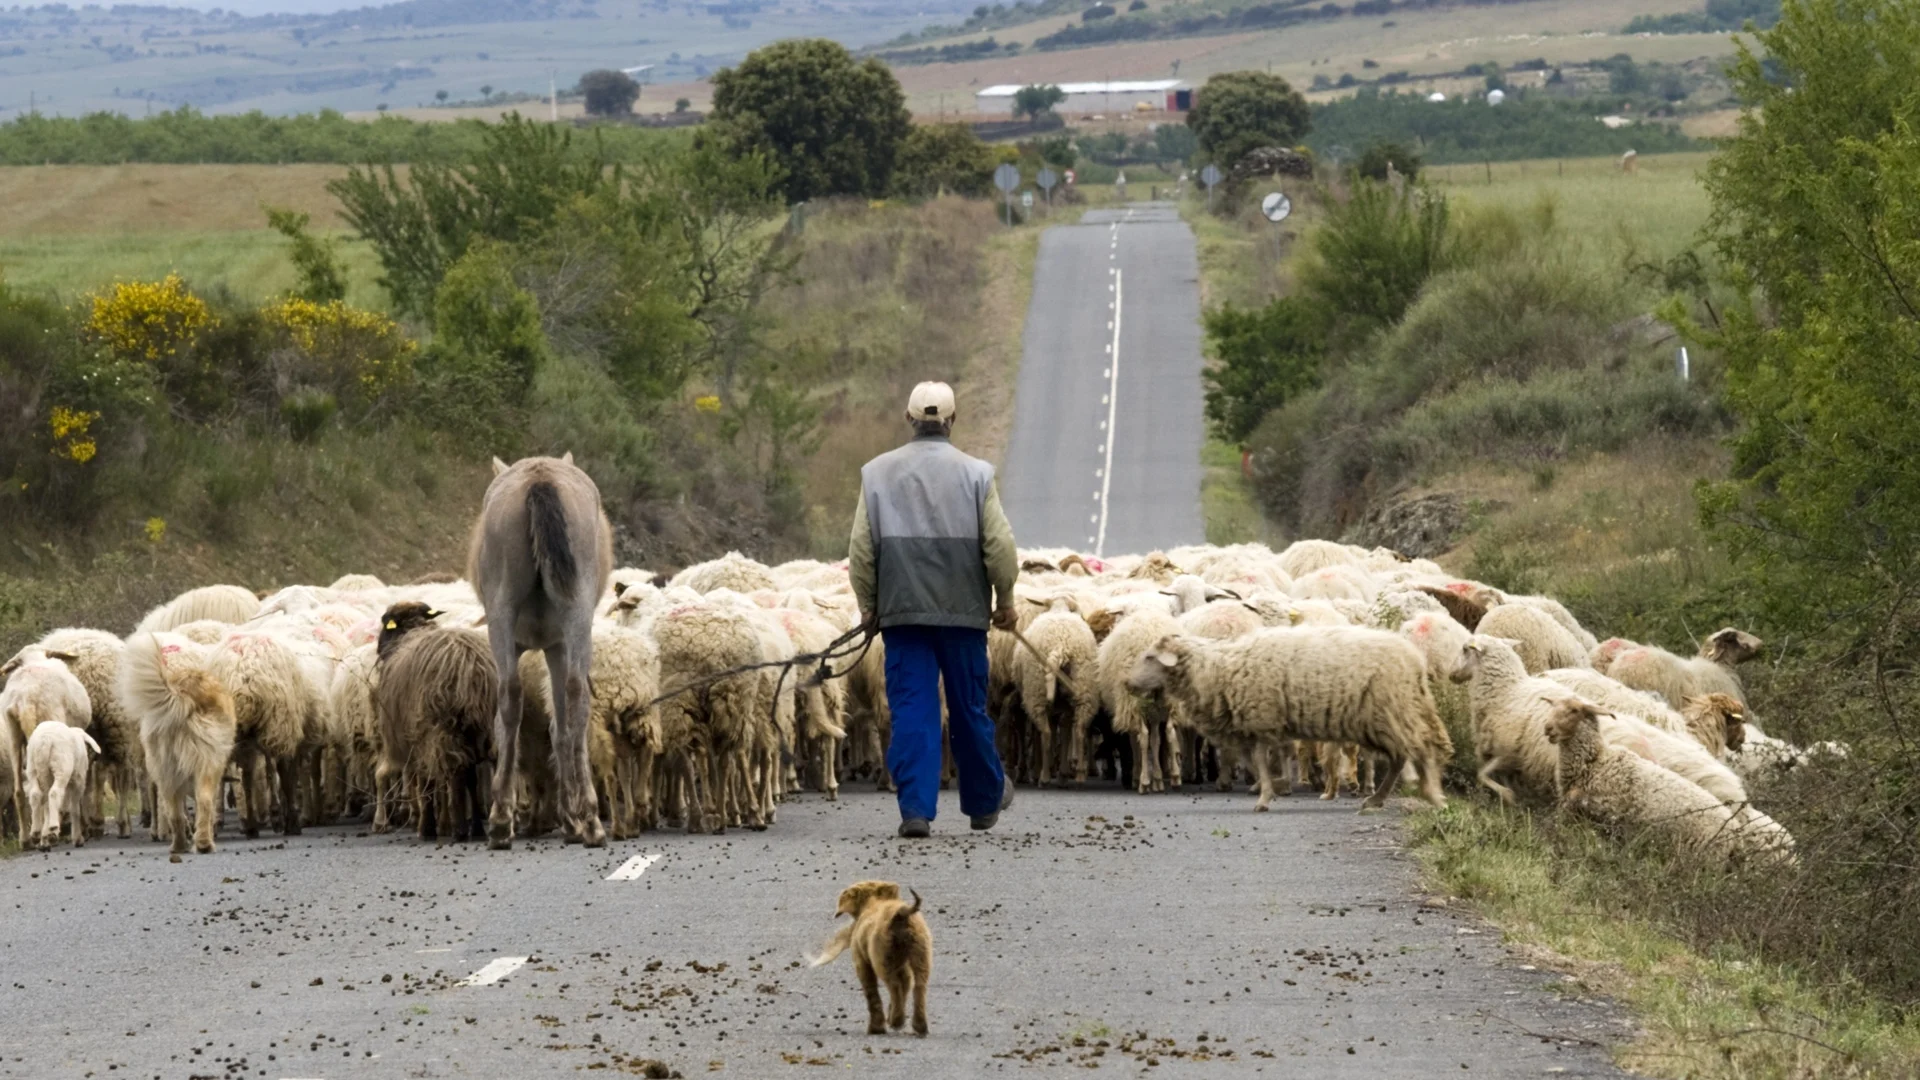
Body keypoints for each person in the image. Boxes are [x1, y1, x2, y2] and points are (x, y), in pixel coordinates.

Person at [848, 381, 1019, 838]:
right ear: (953, 420)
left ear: (909, 420)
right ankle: (983, 803)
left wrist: (868, 605)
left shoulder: (877, 474)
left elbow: (861, 549)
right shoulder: (977, 474)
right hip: (963, 615)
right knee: (968, 706)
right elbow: (1000, 546)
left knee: (912, 709)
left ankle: (916, 811)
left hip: (902, 616)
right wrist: (1006, 601)